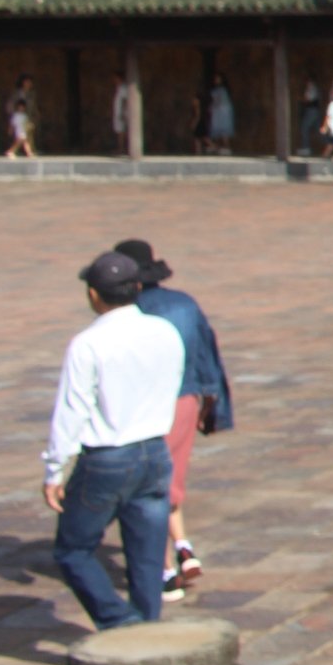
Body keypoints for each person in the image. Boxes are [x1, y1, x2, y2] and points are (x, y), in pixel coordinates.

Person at [45, 251, 185, 629]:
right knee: (146, 553)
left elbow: (72, 410)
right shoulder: (164, 331)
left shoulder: (88, 343)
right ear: (137, 288)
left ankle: (122, 623)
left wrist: (55, 469)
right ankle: (147, 625)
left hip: (108, 456)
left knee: (73, 549)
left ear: (93, 294)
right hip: (155, 450)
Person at [115, 240, 231, 603]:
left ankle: (163, 568)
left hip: (145, 407)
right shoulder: (183, 304)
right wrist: (212, 402)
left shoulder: (128, 314)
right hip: (185, 401)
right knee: (170, 477)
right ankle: (181, 545)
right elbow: (206, 352)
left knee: (146, 486)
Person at [206, 73, 235, 155]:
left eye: (218, 78)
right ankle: (218, 146)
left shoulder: (223, 90)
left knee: (224, 129)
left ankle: (226, 146)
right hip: (217, 112)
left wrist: (212, 106)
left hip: (223, 112)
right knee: (217, 129)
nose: (216, 80)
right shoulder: (215, 89)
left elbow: (219, 100)